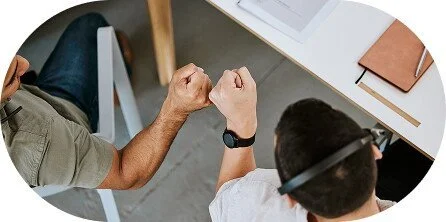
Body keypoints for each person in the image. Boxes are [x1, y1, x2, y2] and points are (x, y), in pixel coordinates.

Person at [1, 13, 212, 190]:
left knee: (89, 24)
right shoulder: (33, 142)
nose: (25, 64)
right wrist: (176, 108)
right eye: (11, 77)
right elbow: (126, 173)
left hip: (34, 98)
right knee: (92, 27)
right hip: (62, 121)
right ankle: (112, 88)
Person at [208, 67, 395, 222]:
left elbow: (230, 196)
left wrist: (241, 123)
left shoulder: (259, 206)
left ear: (290, 198)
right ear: (375, 151)